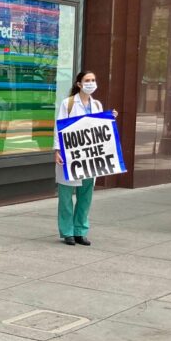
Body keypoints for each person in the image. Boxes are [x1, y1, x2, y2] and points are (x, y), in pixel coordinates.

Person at [54, 69, 116, 245]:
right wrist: (57, 150)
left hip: (89, 157)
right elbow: (59, 127)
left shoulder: (97, 105)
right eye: (87, 80)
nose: (91, 83)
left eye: (93, 80)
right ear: (79, 84)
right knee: (66, 197)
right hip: (70, 156)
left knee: (85, 196)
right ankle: (67, 232)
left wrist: (110, 118)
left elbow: (99, 129)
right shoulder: (69, 103)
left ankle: (80, 230)